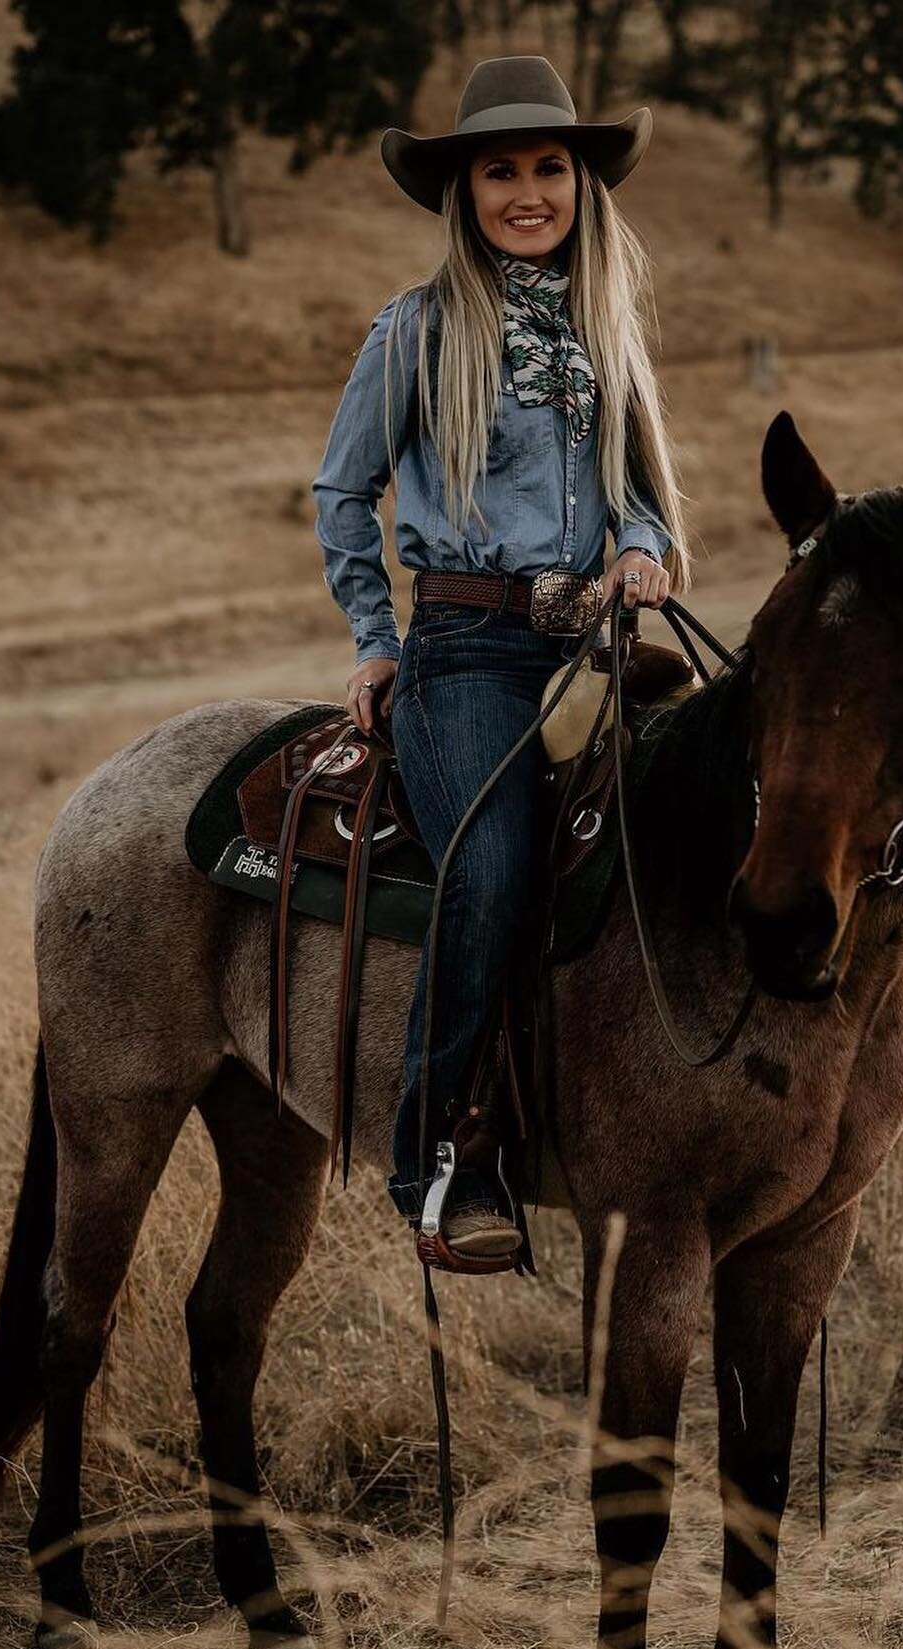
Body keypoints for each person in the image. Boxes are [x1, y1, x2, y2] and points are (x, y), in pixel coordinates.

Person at [312, 53, 693, 1259]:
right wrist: (377, 641)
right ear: (463, 193)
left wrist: (640, 551)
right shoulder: (418, 331)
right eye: (500, 173)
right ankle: (441, 1156)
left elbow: (645, 497)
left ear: (581, 184)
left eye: (548, 168)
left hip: (594, 650)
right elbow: (342, 490)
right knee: (493, 867)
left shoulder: (604, 334)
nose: (527, 192)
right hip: (468, 649)